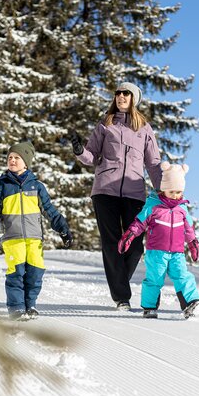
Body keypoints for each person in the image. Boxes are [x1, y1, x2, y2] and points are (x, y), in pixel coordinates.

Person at [69, 82, 162, 311]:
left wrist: (163, 192)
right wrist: (80, 151)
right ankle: (122, 297)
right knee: (111, 243)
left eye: (126, 93)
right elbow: (92, 156)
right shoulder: (105, 123)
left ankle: (119, 282)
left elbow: (153, 163)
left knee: (135, 246)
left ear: (134, 98)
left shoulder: (144, 128)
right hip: (104, 191)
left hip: (134, 192)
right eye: (118, 93)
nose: (120, 96)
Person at [0, 141, 73, 320]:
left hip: (34, 238)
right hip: (12, 238)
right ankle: (16, 307)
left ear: (26, 162)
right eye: (10, 157)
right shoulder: (1, 187)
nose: (12, 160)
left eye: (17, 157)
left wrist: (63, 228)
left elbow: (49, 210)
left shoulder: (37, 187)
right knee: (16, 273)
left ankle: (30, 304)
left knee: (35, 272)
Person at [117, 162, 199, 319]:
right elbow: (139, 223)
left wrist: (193, 243)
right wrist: (129, 235)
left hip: (177, 252)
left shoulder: (182, 209)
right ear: (164, 188)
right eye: (172, 191)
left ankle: (191, 303)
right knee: (154, 279)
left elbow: (188, 229)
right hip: (156, 252)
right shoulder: (153, 206)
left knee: (183, 276)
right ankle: (149, 307)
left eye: (179, 192)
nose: (176, 195)